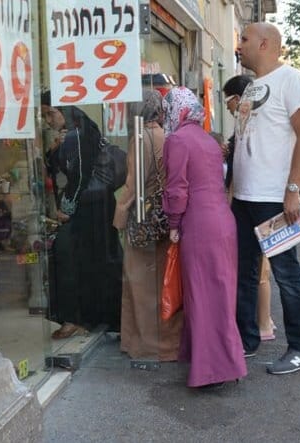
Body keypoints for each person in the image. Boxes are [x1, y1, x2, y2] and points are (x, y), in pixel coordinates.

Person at [233, 22, 300, 374]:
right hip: (244, 198)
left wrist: (292, 190)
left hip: (274, 198)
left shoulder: (291, 79)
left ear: (265, 43)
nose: (239, 46)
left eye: (245, 39)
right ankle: (246, 341)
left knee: (286, 274)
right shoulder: (253, 86)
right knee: (244, 274)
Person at [161, 86, 247, 388]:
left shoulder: (177, 140)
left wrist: (173, 222)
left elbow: (176, 188)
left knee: (201, 296)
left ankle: (212, 370)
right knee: (221, 295)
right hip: (223, 220)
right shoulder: (209, 140)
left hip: (199, 224)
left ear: (176, 110)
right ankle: (227, 362)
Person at [41, 94, 122, 339]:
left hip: (87, 209)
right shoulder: (77, 130)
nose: (47, 121)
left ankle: (76, 318)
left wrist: (66, 209)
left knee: (68, 259)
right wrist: (53, 151)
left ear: (63, 110)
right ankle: (98, 319)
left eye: (50, 113)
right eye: (44, 115)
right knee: (94, 261)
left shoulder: (77, 134)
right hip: (96, 206)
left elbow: (78, 178)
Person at [113, 90, 182, 361]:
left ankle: (147, 345)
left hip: (143, 219)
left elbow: (133, 185)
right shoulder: (165, 136)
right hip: (163, 219)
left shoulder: (140, 138)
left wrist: (118, 217)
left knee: (141, 286)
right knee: (164, 284)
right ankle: (168, 343)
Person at [223, 74, 277, 342]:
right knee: (254, 269)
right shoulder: (242, 127)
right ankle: (257, 325)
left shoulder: (256, 126)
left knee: (260, 270)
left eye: (228, 100)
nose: (227, 107)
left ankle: (264, 323)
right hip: (246, 203)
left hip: (258, 204)